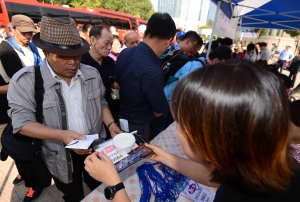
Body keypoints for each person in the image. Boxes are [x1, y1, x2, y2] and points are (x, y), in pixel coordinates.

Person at [85, 60, 300, 201]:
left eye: (181, 124)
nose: (177, 130)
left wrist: (114, 185)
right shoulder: (272, 166)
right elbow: (218, 178)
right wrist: (164, 157)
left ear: (210, 142)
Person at [7, 16, 121, 202]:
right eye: (63, 56)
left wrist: (111, 124)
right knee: (72, 194)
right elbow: (22, 123)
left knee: (100, 187)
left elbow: (101, 103)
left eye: (76, 55)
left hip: (94, 146)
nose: (73, 62)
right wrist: (61, 135)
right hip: (59, 153)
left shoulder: (91, 74)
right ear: (45, 52)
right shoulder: (25, 81)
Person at [1, 14, 44, 202]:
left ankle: (33, 178)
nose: (28, 36)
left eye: (30, 32)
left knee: (31, 147)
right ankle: (32, 182)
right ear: (13, 30)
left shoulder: (33, 46)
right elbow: (19, 81)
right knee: (21, 148)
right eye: (24, 33)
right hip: (15, 109)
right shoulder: (5, 51)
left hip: (34, 104)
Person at [114, 13, 176, 141]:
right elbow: (159, 111)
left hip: (120, 118)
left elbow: (117, 84)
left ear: (146, 32)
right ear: (168, 41)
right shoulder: (153, 71)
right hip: (138, 126)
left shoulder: (125, 53)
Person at [81, 26, 120, 123]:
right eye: (106, 43)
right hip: (89, 113)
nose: (110, 48)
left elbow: (112, 83)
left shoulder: (110, 62)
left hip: (110, 111)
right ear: (93, 40)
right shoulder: (81, 62)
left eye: (111, 44)